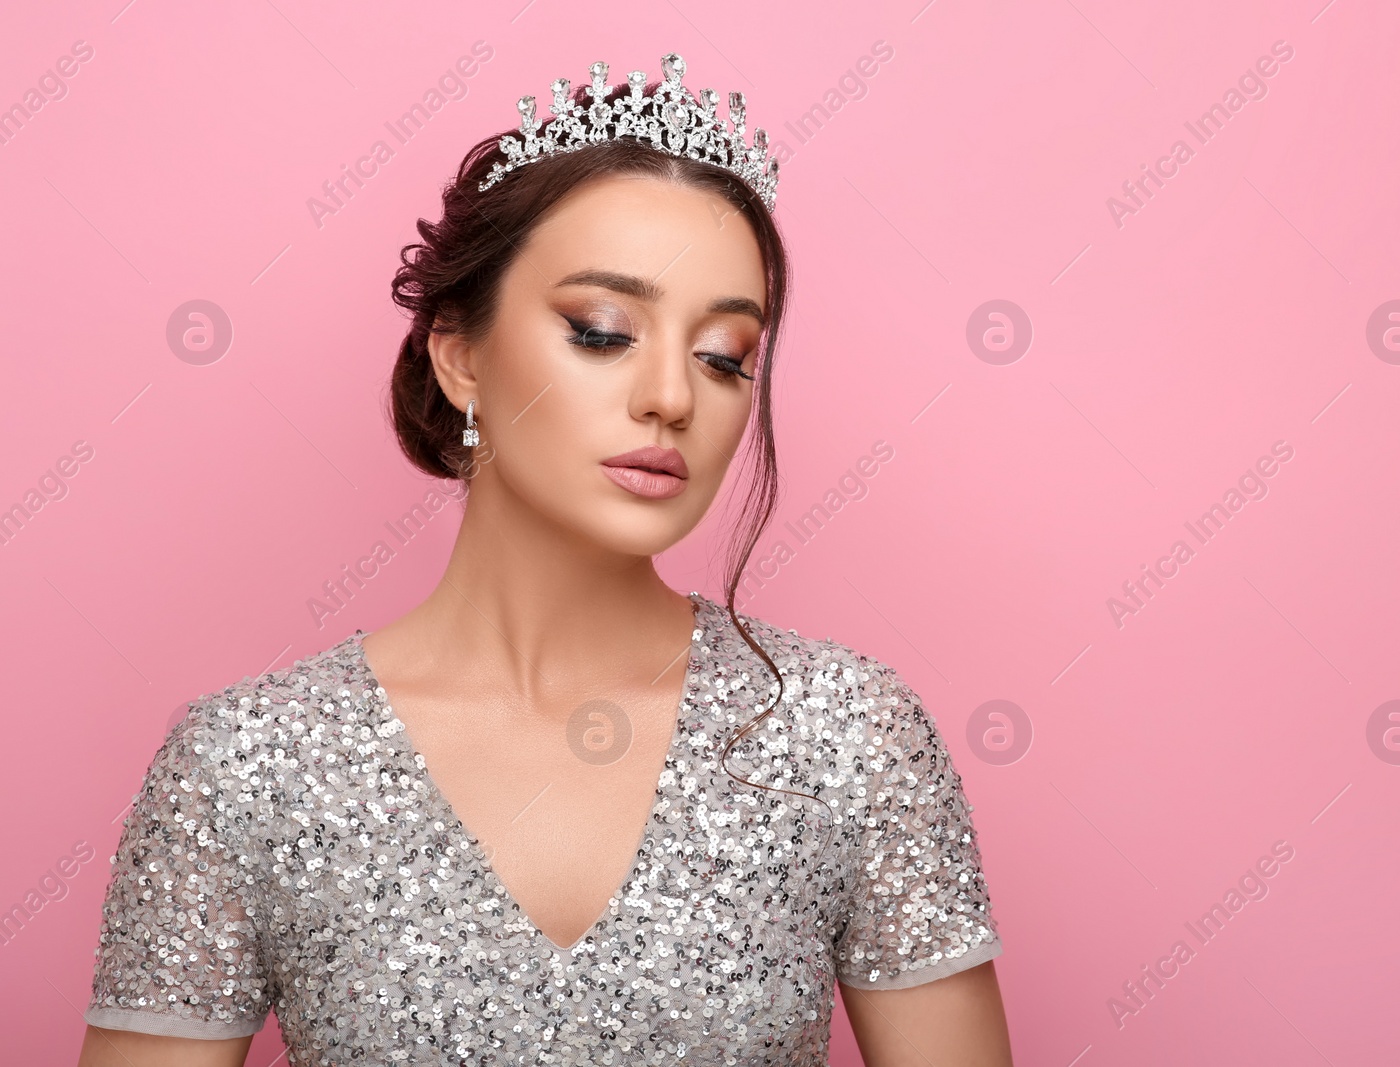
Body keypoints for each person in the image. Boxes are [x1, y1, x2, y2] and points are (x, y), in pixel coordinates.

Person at [77, 54, 1011, 1067]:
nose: (672, 396)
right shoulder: (247, 765)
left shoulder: (846, 734)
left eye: (724, 353)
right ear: (461, 354)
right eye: (604, 331)